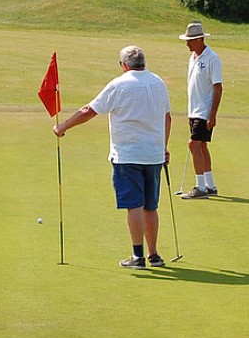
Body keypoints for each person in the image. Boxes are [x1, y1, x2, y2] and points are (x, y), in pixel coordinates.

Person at [53, 45, 171, 270]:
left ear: (124, 65)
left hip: (128, 155)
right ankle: (154, 254)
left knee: (134, 205)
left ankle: (138, 257)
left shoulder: (119, 84)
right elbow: (167, 118)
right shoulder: (158, 82)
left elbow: (90, 110)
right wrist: (163, 147)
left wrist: (63, 126)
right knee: (150, 206)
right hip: (154, 155)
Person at [178, 20, 223, 199]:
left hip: (204, 110)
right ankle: (210, 185)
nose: (187, 43)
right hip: (194, 109)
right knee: (202, 146)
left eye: (190, 40)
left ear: (200, 39)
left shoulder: (212, 58)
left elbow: (218, 88)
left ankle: (200, 188)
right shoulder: (193, 57)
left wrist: (212, 115)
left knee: (193, 144)